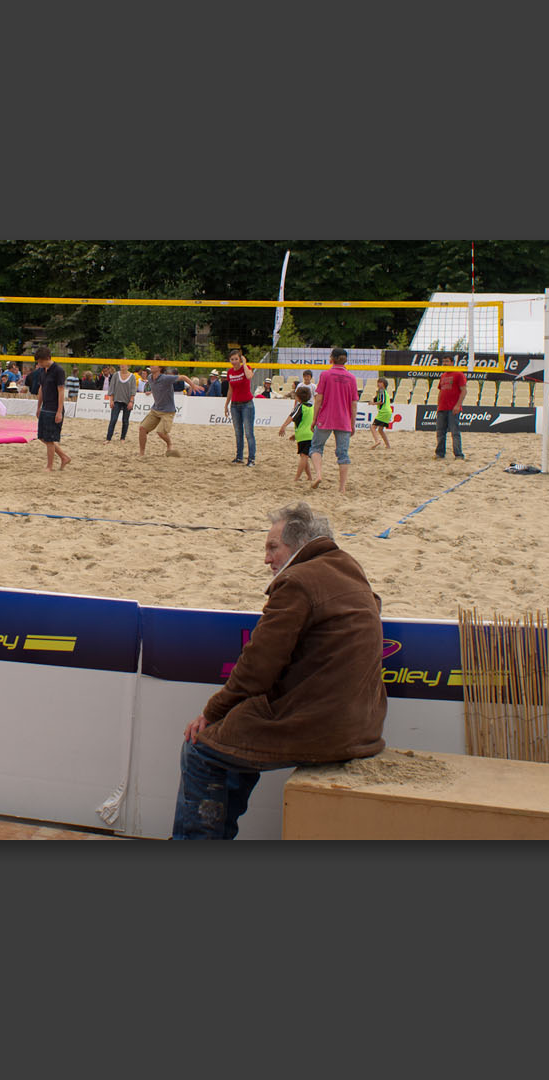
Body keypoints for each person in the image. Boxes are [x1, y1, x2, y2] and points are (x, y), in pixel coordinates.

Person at [172, 501, 387, 839]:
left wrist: (211, 712)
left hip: (324, 725)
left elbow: (258, 666)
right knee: (238, 733)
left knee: (202, 749)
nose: (267, 559)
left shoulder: (298, 581)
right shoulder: (347, 566)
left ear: (299, 546)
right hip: (363, 723)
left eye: (273, 547)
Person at [307, 348, 359, 492]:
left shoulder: (325, 375)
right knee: (343, 454)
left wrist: (314, 419)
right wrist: (352, 423)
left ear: (332, 358)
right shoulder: (352, 378)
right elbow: (354, 404)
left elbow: (318, 399)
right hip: (344, 421)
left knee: (316, 448)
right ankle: (342, 488)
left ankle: (318, 475)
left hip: (326, 418)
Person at [137, 361, 200, 458]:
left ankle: (170, 444)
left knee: (161, 432)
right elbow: (157, 389)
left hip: (168, 411)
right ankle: (141, 453)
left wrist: (193, 385)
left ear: (160, 368)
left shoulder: (166, 378)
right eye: (151, 364)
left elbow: (183, 377)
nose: (151, 365)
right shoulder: (150, 378)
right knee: (142, 428)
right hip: (155, 409)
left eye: (154, 364)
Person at [34, 346, 71, 470]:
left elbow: (61, 391)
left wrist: (59, 411)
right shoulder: (42, 371)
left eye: (41, 361)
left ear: (48, 358)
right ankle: (64, 456)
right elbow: (41, 389)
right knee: (42, 437)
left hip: (54, 408)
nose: (39, 364)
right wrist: (38, 406)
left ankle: (49, 467)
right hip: (45, 407)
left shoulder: (58, 370)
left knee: (49, 439)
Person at [224, 348, 257, 466]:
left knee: (249, 433)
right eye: (232, 359)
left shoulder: (246, 369)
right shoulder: (230, 372)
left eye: (236, 359)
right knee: (238, 432)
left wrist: (244, 364)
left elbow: (249, 377)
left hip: (247, 404)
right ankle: (239, 457)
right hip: (235, 405)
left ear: (240, 359)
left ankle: (251, 459)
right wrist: (226, 404)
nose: (234, 361)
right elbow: (230, 389)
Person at [276, 383, 316, 482]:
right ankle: (309, 477)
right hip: (309, 434)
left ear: (298, 397)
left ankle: (296, 478)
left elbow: (291, 416)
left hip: (304, 435)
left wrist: (283, 426)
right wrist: (295, 434)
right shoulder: (312, 407)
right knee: (304, 456)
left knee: (304, 456)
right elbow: (306, 422)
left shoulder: (300, 406)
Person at [434, 361, 468, 460]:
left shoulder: (458, 374)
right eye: (443, 362)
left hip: (453, 408)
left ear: (452, 362)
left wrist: (458, 405)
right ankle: (440, 453)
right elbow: (441, 391)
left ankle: (458, 454)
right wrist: (438, 405)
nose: (445, 364)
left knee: (455, 432)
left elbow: (464, 390)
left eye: (447, 362)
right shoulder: (443, 375)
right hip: (442, 407)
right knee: (440, 432)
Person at [104, 362, 138, 442]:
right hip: (117, 400)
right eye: (121, 364)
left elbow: (133, 390)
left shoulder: (132, 376)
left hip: (127, 400)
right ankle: (108, 438)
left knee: (125, 420)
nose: (122, 365)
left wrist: (131, 401)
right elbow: (111, 388)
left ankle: (122, 438)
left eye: (124, 364)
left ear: (128, 366)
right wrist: (111, 400)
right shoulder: (116, 375)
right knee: (113, 419)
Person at [370, 377, 394, 449]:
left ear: (383, 384)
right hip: (388, 412)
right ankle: (388, 445)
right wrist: (372, 402)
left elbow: (381, 401)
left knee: (373, 427)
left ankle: (377, 441)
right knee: (380, 430)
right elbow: (378, 399)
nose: (378, 383)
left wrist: (373, 403)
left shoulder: (381, 390)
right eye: (378, 382)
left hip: (384, 412)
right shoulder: (384, 392)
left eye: (380, 382)